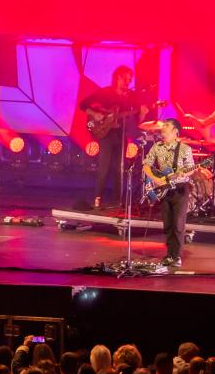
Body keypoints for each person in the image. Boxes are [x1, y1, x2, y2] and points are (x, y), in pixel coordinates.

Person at [81, 65, 150, 209]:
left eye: (130, 80)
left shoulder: (130, 97)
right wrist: (95, 114)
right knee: (104, 167)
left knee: (120, 167)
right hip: (106, 133)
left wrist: (142, 113)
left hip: (120, 134)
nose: (128, 82)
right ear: (118, 77)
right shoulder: (105, 92)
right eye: (126, 79)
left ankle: (117, 202)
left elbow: (138, 121)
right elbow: (83, 105)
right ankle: (97, 199)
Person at [141, 117, 196, 269]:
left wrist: (181, 174)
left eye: (166, 126)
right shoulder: (156, 147)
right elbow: (146, 165)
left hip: (179, 188)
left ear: (175, 131)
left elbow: (190, 169)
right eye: (163, 126)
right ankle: (169, 255)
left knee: (178, 224)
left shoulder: (185, 148)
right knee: (167, 224)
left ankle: (176, 256)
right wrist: (154, 179)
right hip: (163, 189)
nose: (162, 129)